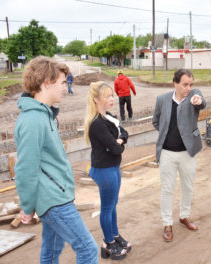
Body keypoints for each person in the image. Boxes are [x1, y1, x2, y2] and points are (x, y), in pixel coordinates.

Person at [14, 56, 98, 264]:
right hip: (53, 200)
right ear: (46, 83)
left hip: (55, 195)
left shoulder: (44, 115)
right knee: (88, 250)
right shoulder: (33, 120)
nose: (65, 87)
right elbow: (25, 169)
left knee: (51, 251)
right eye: (62, 82)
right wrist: (27, 207)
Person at [152, 69, 206, 242]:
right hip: (167, 153)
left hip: (188, 153)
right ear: (175, 83)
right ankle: (167, 223)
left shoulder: (194, 97)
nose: (188, 88)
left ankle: (184, 216)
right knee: (167, 189)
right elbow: (156, 121)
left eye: (191, 84)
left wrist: (198, 98)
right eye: (185, 84)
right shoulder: (162, 100)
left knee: (187, 187)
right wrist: (166, 134)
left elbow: (201, 101)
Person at [84, 81, 131, 260]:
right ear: (96, 99)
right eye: (108, 96)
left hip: (113, 167)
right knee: (107, 207)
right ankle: (108, 243)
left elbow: (124, 133)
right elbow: (116, 147)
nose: (113, 98)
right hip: (104, 170)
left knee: (112, 206)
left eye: (112, 95)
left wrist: (119, 140)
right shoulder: (96, 123)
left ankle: (115, 236)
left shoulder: (108, 117)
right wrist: (118, 142)